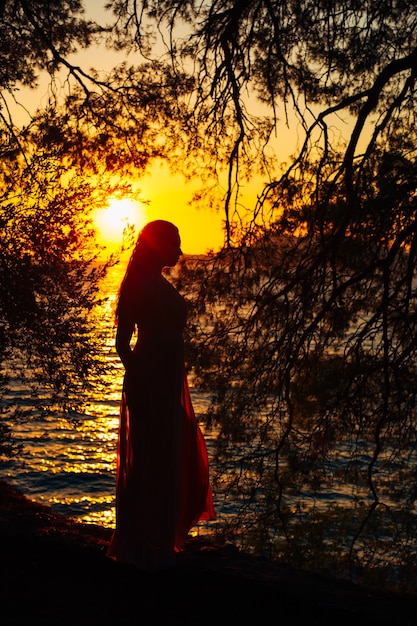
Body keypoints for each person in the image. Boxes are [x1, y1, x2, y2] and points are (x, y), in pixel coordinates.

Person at [107, 220, 215, 571]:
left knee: (174, 452)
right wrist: (141, 383)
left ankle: (162, 539)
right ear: (157, 247)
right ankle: (143, 544)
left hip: (168, 380)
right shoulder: (139, 285)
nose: (181, 252)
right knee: (153, 458)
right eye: (174, 245)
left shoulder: (157, 282)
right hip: (150, 379)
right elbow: (122, 344)